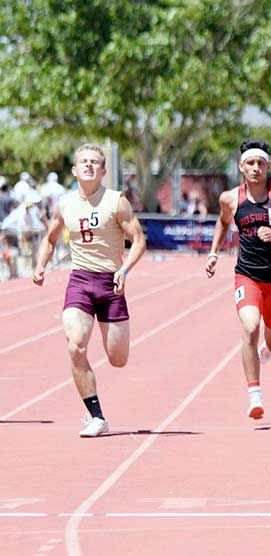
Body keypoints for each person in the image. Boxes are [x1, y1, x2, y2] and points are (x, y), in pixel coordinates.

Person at [32, 143, 146, 437]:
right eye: (83, 161)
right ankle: (96, 416)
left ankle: (99, 404)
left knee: (118, 360)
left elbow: (139, 241)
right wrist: (40, 265)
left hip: (111, 282)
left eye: (94, 162)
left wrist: (123, 270)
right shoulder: (65, 203)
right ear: (74, 169)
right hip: (80, 281)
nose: (88, 166)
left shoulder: (116, 201)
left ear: (103, 170)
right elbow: (50, 239)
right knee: (75, 345)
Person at [205, 139, 271, 420]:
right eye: (250, 163)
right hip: (247, 276)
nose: (255, 168)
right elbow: (224, 222)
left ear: (268, 166)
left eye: (261, 163)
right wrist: (214, 252)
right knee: (250, 328)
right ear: (241, 166)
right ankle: (254, 395)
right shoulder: (231, 199)